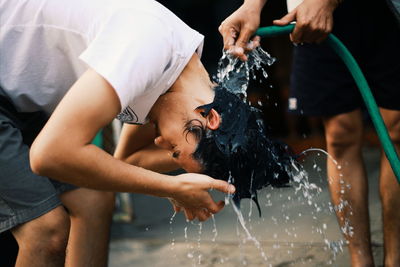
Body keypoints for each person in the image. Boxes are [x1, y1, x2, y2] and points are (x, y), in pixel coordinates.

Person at [0, 0, 237, 266]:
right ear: (210, 117)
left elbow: (124, 162)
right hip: (8, 87)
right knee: (46, 229)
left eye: (171, 152)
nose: (158, 141)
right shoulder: (147, 48)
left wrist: (180, 177)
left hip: (21, 96)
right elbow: (48, 155)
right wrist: (172, 186)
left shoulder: (176, 76)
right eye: (175, 150)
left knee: (94, 199)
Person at [219, 0, 400, 266]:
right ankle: (360, 260)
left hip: (388, 11)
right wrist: (252, 5)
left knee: (396, 129)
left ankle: (395, 258)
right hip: (313, 12)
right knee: (340, 133)